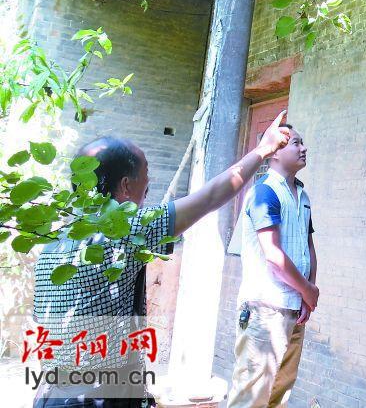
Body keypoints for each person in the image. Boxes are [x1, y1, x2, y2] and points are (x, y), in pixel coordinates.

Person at [31, 110, 292, 408]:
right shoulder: (125, 229)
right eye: (146, 174)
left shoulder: (54, 242)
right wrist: (263, 149)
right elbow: (211, 196)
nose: (149, 182)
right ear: (126, 185)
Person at [227, 124, 318, 408]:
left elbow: (308, 246)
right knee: (250, 398)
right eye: (296, 143)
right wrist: (308, 291)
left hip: (294, 309)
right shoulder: (265, 192)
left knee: (278, 396)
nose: (303, 148)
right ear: (275, 151)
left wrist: (307, 295)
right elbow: (274, 257)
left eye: (302, 143)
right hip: (265, 309)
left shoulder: (303, 196)